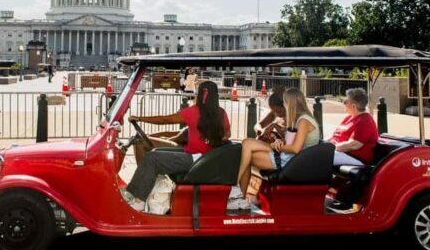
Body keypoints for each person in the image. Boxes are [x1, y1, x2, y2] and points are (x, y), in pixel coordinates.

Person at [122, 81, 231, 212]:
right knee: (155, 152)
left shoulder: (194, 111)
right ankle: (132, 192)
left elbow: (165, 120)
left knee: (151, 158)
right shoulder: (221, 113)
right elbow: (227, 135)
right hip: (205, 158)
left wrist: (139, 118)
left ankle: (139, 200)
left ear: (201, 94)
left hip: (194, 159)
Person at [234, 87, 320, 205]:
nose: (284, 104)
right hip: (290, 157)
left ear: (290, 103)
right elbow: (291, 142)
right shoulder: (299, 119)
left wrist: (277, 146)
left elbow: (295, 148)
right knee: (246, 146)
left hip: (292, 160)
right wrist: (278, 140)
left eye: (285, 102)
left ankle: (236, 190)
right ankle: (240, 196)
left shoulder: (303, 121)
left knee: (247, 149)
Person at [329, 88, 379, 167]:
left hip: (355, 157)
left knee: (320, 158)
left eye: (345, 101)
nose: (343, 103)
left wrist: (329, 148)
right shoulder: (349, 118)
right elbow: (334, 136)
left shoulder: (365, 121)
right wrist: (322, 144)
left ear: (353, 106)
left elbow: (353, 145)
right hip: (339, 152)